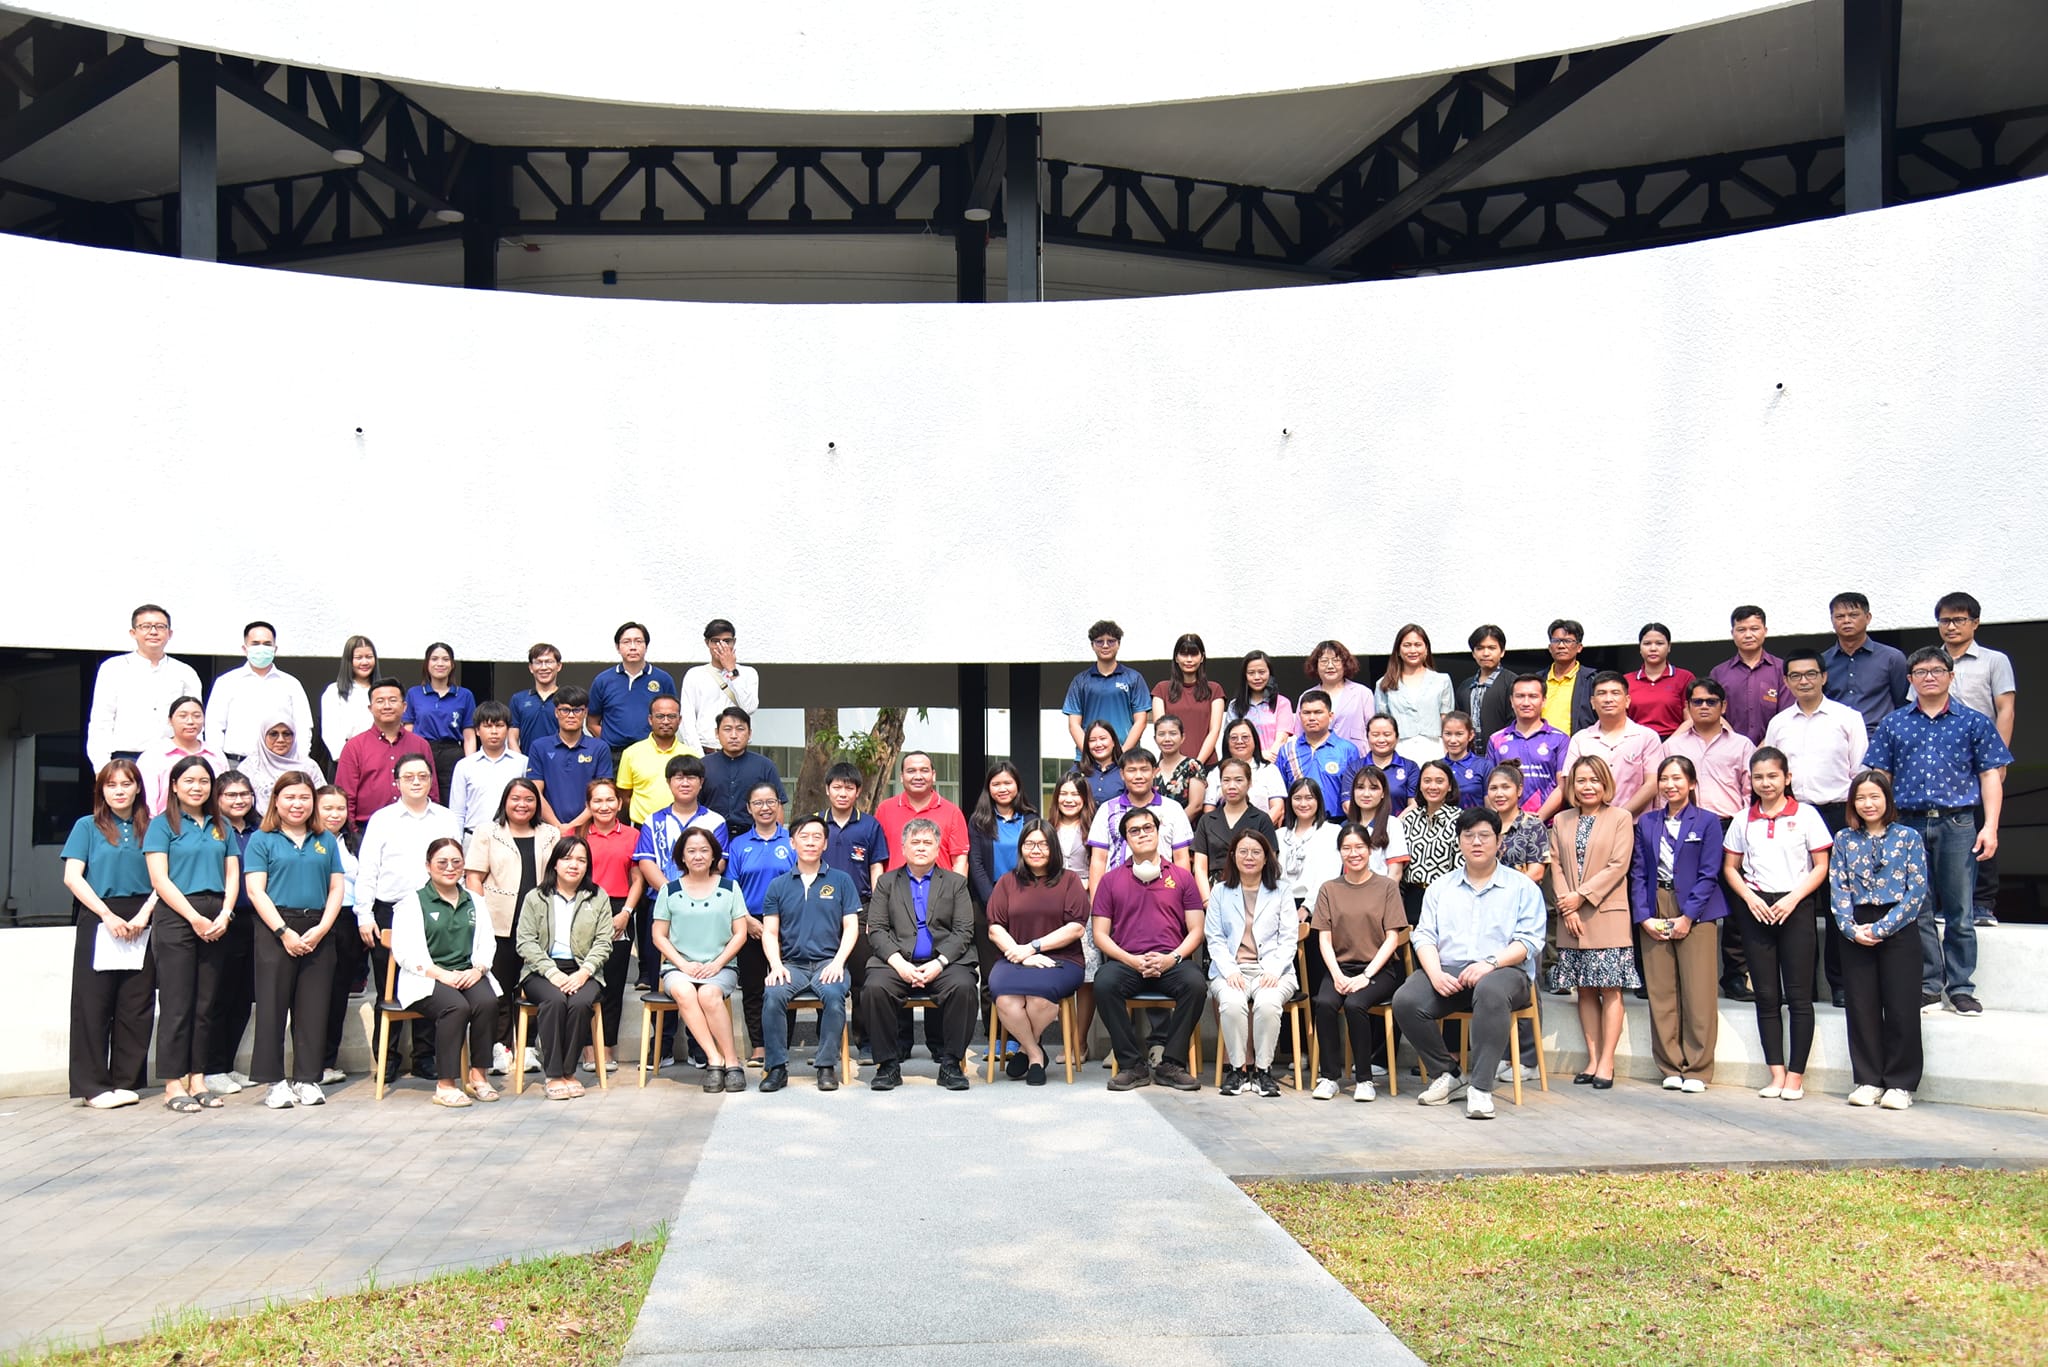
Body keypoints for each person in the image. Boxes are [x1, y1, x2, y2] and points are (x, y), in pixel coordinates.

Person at [1862, 646, 2010, 1017]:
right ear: (1910, 680)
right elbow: (1881, 777)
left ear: (1951, 676)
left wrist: (1990, 826)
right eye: (1921, 672)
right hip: (1907, 824)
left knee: (1960, 909)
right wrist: (1881, 827)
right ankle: (1928, 985)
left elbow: (1990, 775)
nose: (1929, 677)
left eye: (1937, 670)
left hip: (1957, 823)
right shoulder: (1894, 723)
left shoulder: (1974, 721)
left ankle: (1960, 988)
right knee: (1917, 907)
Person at [1394, 808, 1546, 1119]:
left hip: (1505, 972)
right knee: (1407, 999)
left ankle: (1480, 1087)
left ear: (1499, 842)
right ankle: (1448, 1074)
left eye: (1484, 836)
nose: (1476, 842)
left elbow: (1529, 942)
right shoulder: (1441, 887)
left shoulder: (1522, 887)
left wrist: (1490, 963)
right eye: (1469, 836)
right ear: (1459, 842)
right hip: (1451, 971)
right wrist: (1435, 973)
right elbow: (1424, 936)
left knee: (1490, 991)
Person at [1722, 747, 1832, 1100]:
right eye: (1758, 777)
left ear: (1787, 778)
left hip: (1795, 905)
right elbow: (1730, 867)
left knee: (1799, 996)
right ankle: (1776, 1073)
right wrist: (1750, 898)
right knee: (1766, 996)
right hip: (1757, 908)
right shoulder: (1743, 819)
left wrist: (1792, 899)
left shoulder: (1807, 815)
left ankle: (1796, 1076)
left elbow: (1821, 866)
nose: (1765, 783)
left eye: (1772, 776)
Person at [1766, 647, 1869, 1006]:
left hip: (1839, 814)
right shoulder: (1779, 723)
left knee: (1840, 899)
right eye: (1795, 675)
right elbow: (1771, 771)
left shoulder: (1847, 718)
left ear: (1824, 677)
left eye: (1811, 674)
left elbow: (1860, 772)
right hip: (1794, 815)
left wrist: (1855, 816)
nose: (1804, 681)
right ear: (1786, 681)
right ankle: (1801, 986)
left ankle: (1840, 984)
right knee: (1798, 900)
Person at [356, 754, 463, 1082]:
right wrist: (364, 914)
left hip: (435, 909)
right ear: (397, 782)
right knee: (387, 988)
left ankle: (424, 1057)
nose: (416, 782)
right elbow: (368, 868)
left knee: (431, 986)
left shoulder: (446, 818)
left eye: (422, 776)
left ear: (431, 780)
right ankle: (387, 1059)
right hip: (389, 910)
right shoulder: (383, 819)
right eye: (408, 776)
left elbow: (456, 863)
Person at [242, 770, 345, 1109]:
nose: (297, 804)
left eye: (304, 797)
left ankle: (307, 1078)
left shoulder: (325, 839)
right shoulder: (262, 839)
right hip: (276, 928)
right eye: (290, 797)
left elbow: (336, 887)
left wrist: (323, 927)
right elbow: (256, 891)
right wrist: (283, 932)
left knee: (314, 1008)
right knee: (272, 1008)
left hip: (318, 928)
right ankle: (274, 1081)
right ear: (276, 801)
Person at [143, 756, 240, 1113]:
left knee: (206, 1003)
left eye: (203, 781)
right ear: (174, 785)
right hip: (177, 916)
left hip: (216, 915)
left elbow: (232, 873)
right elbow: (160, 879)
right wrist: (193, 917)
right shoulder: (162, 825)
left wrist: (225, 913)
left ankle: (198, 1078)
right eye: (189, 781)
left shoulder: (221, 825)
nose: (196, 787)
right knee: (177, 1003)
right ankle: (173, 1084)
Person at [1832, 770, 1930, 1110]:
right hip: (1857, 926)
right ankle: (1868, 1079)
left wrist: (1882, 928)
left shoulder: (1908, 837)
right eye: (1860, 798)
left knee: (1902, 1007)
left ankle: (1901, 1084)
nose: (1868, 804)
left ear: (1887, 799)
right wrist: (1850, 927)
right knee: (1862, 1006)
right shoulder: (1844, 839)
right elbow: (1839, 887)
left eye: (1874, 796)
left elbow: (1916, 892)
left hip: (1898, 926)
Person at [1630, 756, 1729, 1093]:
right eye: (1664, 779)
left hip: (1696, 910)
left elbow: (1709, 873)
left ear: (1691, 783)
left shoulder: (1708, 822)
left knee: (1699, 992)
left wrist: (1688, 917)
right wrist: (1644, 916)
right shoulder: (1647, 822)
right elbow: (1638, 872)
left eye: (1677, 778)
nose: (1670, 785)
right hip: (1656, 904)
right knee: (1661, 991)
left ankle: (1698, 1068)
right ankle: (1670, 1065)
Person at [62, 759, 156, 1109]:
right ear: (101, 790)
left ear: (138, 788)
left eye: (126, 784)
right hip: (100, 914)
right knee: (93, 1002)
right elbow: (73, 877)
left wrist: (144, 914)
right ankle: (92, 1086)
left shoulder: (153, 827)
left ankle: (126, 1080)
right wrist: (106, 915)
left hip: (144, 915)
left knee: (136, 1002)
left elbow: (165, 876)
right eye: (111, 785)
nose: (119, 791)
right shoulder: (86, 826)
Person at [1091, 807, 1206, 1092]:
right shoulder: (1110, 880)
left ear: (1157, 832)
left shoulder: (1182, 877)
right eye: (1134, 831)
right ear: (1125, 839)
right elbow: (1100, 935)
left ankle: (1171, 1064)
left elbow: (1196, 930)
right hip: (1128, 962)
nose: (1142, 834)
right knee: (1104, 982)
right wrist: (1131, 960)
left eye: (1147, 828)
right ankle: (1132, 1065)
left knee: (1195, 984)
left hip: (1171, 962)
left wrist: (1172, 958)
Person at [861, 818, 979, 1092]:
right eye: (915, 842)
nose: (921, 847)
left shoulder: (955, 883)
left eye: (928, 842)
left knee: (963, 987)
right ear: (903, 848)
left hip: (944, 961)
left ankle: (951, 1064)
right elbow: (876, 929)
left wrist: (939, 962)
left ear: (938, 849)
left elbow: (964, 930)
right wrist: (899, 963)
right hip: (896, 961)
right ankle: (888, 1065)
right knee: (875, 988)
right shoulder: (887, 882)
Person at [389, 838, 503, 1107]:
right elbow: (404, 952)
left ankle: (478, 1076)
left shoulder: (474, 901)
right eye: (442, 862)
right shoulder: (413, 903)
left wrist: (479, 969)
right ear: (428, 866)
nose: (450, 868)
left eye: (456, 862)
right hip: (427, 977)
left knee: (487, 1002)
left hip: (467, 972)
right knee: (455, 1008)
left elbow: (488, 942)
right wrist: (440, 974)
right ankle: (446, 1085)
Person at [1547, 755, 1637, 1089]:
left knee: (1610, 989)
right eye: (1581, 780)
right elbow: (1555, 865)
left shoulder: (1620, 818)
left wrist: (1581, 896)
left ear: (1605, 783)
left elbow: (1618, 866)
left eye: (1594, 780)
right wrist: (1568, 907)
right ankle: (1592, 1058)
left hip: (1606, 914)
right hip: (1571, 919)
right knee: (1584, 990)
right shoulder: (1562, 820)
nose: (1588, 786)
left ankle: (1607, 1062)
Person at [759, 815, 863, 1092]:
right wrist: (776, 965)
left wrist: (839, 962)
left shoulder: (841, 880)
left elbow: (851, 927)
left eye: (817, 837)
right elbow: (769, 932)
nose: (810, 842)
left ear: (825, 844)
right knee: (773, 995)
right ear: (792, 843)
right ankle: (777, 1068)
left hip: (829, 962)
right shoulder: (778, 885)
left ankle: (826, 1066)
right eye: (804, 836)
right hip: (792, 964)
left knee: (833, 995)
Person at [464, 776, 559, 1073]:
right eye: (515, 798)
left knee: (534, 986)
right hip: (499, 923)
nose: (522, 804)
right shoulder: (488, 832)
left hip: (539, 926)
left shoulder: (550, 834)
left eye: (529, 799)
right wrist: (481, 915)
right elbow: (474, 877)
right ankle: (501, 1048)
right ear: (505, 801)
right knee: (501, 988)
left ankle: (529, 1048)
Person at [1310, 821, 1409, 1102]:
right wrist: (1337, 975)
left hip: (1379, 969)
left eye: (1359, 847)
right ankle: (1329, 1077)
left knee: (1355, 1004)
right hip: (1340, 967)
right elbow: (1324, 939)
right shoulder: (1329, 888)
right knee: (1325, 1003)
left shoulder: (1386, 887)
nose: (1353, 853)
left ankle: (1364, 1079)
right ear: (1339, 851)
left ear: (1370, 849)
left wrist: (1366, 976)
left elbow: (1392, 938)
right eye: (1347, 848)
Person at [986, 818, 1088, 1087]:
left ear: (1053, 848)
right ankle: (1034, 1054)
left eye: (1043, 844)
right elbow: (995, 929)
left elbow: (1076, 928)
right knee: (1005, 998)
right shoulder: (1007, 882)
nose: (1036, 850)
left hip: (1061, 960)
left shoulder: (1070, 881)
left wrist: (1033, 947)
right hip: (1014, 956)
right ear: (1021, 848)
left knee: (1039, 999)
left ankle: (1023, 1048)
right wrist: (1023, 954)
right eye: (1029, 844)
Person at [1934, 592, 2016, 928]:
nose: (1951, 627)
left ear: (1975, 623)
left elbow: (2006, 709)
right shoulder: (1929, 661)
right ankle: (1944, 904)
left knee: (1984, 826)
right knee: (1941, 832)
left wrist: (1999, 759)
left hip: (1981, 757)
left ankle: (1982, 903)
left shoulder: (1994, 660)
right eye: (1945, 620)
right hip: (1939, 761)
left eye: (1959, 620)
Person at [649, 826, 749, 1092]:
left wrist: (717, 963)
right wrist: (683, 964)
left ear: (714, 854)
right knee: (684, 991)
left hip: (721, 965)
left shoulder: (730, 888)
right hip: (679, 967)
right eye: (691, 851)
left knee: (708, 994)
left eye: (704, 850)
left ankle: (732, 1062)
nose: (698, 856)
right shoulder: (669, 890)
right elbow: (658, 935)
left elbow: (740, 933)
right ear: (681, 856)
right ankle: (714, 1059)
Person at [513, 837, 613, 1101]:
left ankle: (569, 1072)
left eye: (581, 860)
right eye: (567, 858)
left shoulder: (598, 897)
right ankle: (554, 1075)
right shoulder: (536, 897)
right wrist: (552, 972)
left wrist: (584, 972)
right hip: (541, 971)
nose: (574, 865)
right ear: (555, 863)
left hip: (583, 969)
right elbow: (525, 942)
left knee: (580, 1003)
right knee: (555, 1000)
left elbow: (604, 942)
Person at [1205, 828, 1298, 1098]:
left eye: (1256, 852)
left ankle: (1263, 1071)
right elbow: (1214, 938)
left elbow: (1289, 938)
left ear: (1266, 857)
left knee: (1268, 1004)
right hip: (1231, 970)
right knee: (1232, 1004)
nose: (1249, 857)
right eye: (1243, 851)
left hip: (1273, 971)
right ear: (1233, 856)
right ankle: (1238, 1070)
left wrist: (1274, 970)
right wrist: (1230, 970)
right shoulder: (1220, 891)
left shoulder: (1282, 891)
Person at [726, 781, 796, 1067]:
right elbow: (732, 888)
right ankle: (758, 1046)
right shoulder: (738, 844)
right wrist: (748, 921)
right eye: (758, 803)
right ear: (748, 808)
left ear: (779, 805)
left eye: (771, 802)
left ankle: (782, 1045)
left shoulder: (792, 840)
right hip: (750, 923)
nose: (765, 808)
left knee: (785, 985)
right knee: (754, 989)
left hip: (788, 924)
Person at [86, 604, 204, 770]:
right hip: (127, 758)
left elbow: (196, 720)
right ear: (133, 632)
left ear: (170, 633)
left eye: (160, 627)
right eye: (145, 626)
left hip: (173, 758)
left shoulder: (185, 672)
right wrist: (101, 766)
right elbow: (101, 721)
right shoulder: (113, 668)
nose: (153, 632)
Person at [203, 771, 261, 1097]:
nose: (239, 800)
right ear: (218, 798)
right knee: (219, 997)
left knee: (242, 998)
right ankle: (211, 1068)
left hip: (255, 921)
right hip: (223, 919)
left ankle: (226, 1064)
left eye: (244, 794)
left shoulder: (260, 830)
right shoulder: (213, 830)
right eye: (231, 795)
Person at [580, 778, 643, 1073]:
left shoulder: (632, 835)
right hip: (582, 909)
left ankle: (607, 1047)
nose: (604, 806)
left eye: (609, 800)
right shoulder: (578, 835)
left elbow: (638, 879)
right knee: (584, 980)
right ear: (589, 805)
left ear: (619, 804)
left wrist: (626, 912)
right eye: (597, 800)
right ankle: (587, 1048)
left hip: (619, 910)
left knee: (614, 983)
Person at [1544, 671, 1662, 819]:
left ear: (1627, 700)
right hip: (1590, 821)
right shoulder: (1580, 739)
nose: (1608, 699)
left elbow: (1652, 784)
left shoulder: (1647, 737)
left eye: (1615, 693)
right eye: (1601, 693)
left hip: (1635, 824)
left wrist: (1618, 817)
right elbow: (1570, 784)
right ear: (1593, 702)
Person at [334, 678, 440, 829]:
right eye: (380, 701)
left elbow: (432, 792)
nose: (387, 706)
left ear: (404, 706)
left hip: (416, 826)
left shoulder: (420, 745)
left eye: (393, 700)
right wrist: (353, 834)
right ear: (370, 708)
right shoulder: (354, 747)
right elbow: (345, 797)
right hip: (366, 829)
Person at [206, 621, 315, 763]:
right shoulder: (226, 682)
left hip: (280, 763)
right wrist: (218, 762)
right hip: (236, 763)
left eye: (267, 644)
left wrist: (300, 760)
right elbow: (214, 726)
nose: (261, 648)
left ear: (275, 649)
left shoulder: (291, 684)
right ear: (245, 649)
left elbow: (303, 726)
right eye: (255, 643)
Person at [1048, 771, 1100, 1061]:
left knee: (1087, 976)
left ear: (1084, 798)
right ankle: (1066, 1041)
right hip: (1052, 906)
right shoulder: (1048, 828)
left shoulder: (1094, 827)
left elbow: (1100, 865)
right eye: (1064, 794)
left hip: (1085, 905)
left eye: (1075, 794)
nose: (1069, 799)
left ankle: (1080, 1042)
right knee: (1058, 971)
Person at [1087, 748, 1195, 885]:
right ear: (1122, 774)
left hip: (1163, 889)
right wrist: (1097, 898)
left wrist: (1182, 893)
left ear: (1155, 772)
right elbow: (1098, 860)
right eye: (1131, 770)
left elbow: (1181, 858)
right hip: (1118, 889)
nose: (1138, 776)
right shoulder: (1107, 809)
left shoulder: (1173, 809)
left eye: (1144, 769)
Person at [314, 784, 361, 1086]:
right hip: (318, 919)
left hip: (349, 920)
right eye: (328, 808)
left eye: (340, 808)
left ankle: (327, 1061)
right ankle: (312, 1062)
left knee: (338, 993)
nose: (335, 814)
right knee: (315, 994)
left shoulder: (353, 842)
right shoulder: (310, 841)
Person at [526, 686, 616, 834]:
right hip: (548, 829)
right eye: (565, 710)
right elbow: (535, 792)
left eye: (577, 710)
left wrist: (571, 827)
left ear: (585, 713)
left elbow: (602, 795)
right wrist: (558, 827)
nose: (571, 715)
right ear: (556, 712)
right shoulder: (539, 747)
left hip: (589, 829)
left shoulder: (599, 747)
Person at [633, 754, 728, 892]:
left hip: (704, 896)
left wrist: (692, 892)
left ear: (701, 782)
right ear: (668, 782)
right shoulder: (652, 821)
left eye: (691, 778)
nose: (685, 783)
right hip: (661, 897)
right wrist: (673, 893)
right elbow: (646, 862)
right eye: (679, 778)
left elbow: (720, 862)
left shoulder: (716, 821)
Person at [1823, 593, 1910, 734]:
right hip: (1836, 736)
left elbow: (1903, 704)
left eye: (1853, 615)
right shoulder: (1823, 661)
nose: (1846, 621)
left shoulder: (1892, 658)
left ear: (1868, 617)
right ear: (1832, 620)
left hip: (1880, 736)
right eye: (1840, 616)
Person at [1063, 620, 1151, 759]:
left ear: (1119, 644)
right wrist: (1090, 755)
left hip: (1126, 758)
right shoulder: (1080, 681)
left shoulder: (1134, 678)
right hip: (1087, 760)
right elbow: (1074, 724)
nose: (1105, 645)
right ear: (1092, 645)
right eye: (1099, 641)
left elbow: (1141, 721)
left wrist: (1122, 754)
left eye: (1111, 641)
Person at [588, 621, 676, 758]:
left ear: (646, 646)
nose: (633, 647)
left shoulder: (663, 679)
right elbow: (592, 722)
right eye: (626, 642)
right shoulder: (603, 680)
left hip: (652, 753)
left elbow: (672, 717)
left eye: (638, 641)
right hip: (613, 755)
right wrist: (608, 741)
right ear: (618, 647)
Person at [401, 643, 476, 798]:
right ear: (427, 663)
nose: (440, 663)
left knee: (453, 797)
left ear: (452, 664)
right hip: (421, 752)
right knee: (421, 794)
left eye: (445, 659)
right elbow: (408, 730)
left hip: (452, 755)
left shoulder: (464, 695)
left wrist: (470, 765)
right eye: (434, 659)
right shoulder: (414, 693)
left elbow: (469, 735)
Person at [1275, 689, 1365, 818]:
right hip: (1298, 822)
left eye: (1318, 712)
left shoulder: (1348, 750)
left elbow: (1355, 791)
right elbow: (1279, 792)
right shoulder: (1287, 750)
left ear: (1330, 716)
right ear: (1299, 716)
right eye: (1306, 713)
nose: (1312, 718)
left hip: (1337, 821)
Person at [874, 750, 968, 873]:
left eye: (924, 770)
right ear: (901, 777)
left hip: (940, 885)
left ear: (933, 775)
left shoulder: (952, 812)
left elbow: (960, 861)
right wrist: (880, 886)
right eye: (911, 771)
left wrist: (956, 886)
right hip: (894, 885)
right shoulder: (885, 810)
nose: (918, 777)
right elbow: (876, 860)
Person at [615, 695, 702, 826]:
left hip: (683, 827)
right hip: (643, 827)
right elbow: (624, 795)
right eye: (660, 716)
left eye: (671, 716)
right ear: (650, 719)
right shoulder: (631, 753)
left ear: (680, 720)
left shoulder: (692, 755)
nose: (666, 721)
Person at [1711, 606, 1793, 744]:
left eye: (1754, 629)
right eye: (1741, 630)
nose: (1748, 635)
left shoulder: (1782, 669)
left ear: (1765, 631)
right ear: (1732, 633)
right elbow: (1713, 714)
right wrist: (1737, 745)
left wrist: (1764, 747)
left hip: (1774, 747)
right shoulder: (1719, 673)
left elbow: (1787, 715)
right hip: (1729, 748)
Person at [701, 707, 786, 838]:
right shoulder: (703, 766)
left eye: (740, 729)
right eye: (727, 729)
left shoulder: (765, 766)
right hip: (711, 837)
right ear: (717, 733)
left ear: (749, 733)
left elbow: (777, 806)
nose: (734, 735)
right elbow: (694, 805)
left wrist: (775, 840)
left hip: (753, 838)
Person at [1192, 758, 1278, 888]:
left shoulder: (1262, 819)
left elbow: (1270, 862)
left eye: (1238, 780)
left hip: (1252, 888)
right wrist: (1208, 899)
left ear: (1249, 783)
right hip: (1214, 889)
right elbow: (1200, 867)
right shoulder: (1207, 820)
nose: (1232, 786)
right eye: (1226, 780)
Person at [680, 618, 761, 755]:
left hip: (739, 751)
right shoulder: (694, 675)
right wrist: (698, 755)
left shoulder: (748, 673)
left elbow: (749, 708)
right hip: (705, 749)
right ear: (707, 643)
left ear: (734, 642)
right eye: (716, 641)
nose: (721, 646)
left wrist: (732, 670)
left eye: (727, 641)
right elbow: (687, 720)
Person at [1488, 677, 1569, 812]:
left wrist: (1538, 818)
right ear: (1511, 701)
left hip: (1548, 821)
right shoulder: (1496, 739)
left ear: (1544, 701)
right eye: (1520, 696)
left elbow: (1563, 786)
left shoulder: (1560, 739)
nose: (1526, 702)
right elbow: (1490, 785)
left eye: (1533, 696)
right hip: (1507, 821)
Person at [1374, 624, 1455, 761]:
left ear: (1426, 649)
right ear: (1398, 650)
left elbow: (1446, 719)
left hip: (1434, 747)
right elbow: (1382, 722)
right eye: (1407, 645)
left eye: (1418, 645)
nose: (1413, 650)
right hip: (1399, 748)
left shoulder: (1442, 680)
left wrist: (1448, 751)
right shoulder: (1384, 683)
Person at [136, 695, 227, 815]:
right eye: (183, 716)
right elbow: (148, 802)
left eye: (197, 716)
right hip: (167, 823)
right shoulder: (153, 756)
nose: (190, 721)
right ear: (170, 720)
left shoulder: (216, 755)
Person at [446, 701, 527, 835]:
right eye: (488, 726)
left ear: (508, 729)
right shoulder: (464, 766)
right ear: (477, 730)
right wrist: (457, 841)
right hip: (473, 837)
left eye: (499, 725)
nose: (494, 732)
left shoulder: (522, 763)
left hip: (513, 836)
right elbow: (457, 812)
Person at [1400, 760, 1463, 924]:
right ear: (1420, 785)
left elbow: (1462, 868)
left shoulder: (1460, 819)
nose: (1433, 786)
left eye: (1439, 781)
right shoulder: (1409, 819)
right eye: (1427, 781)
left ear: (1450, 786)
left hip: (1445, 898)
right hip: (1411, 898)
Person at [1152, 632, 1226, 765]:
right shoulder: (1161, 689)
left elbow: (1214, 731)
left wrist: (1197, 763)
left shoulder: (1215, 690)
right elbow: (1161, 731)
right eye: (1184, 654)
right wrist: (1179, 766)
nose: (1189, 660)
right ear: (1176, 657)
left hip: (1206, 764)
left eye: (1194, 654)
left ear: (1202, 657)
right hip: (1170, 765)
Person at [1277, 776, 1342, 914]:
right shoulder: (1280, 835)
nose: (1303, 804)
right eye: (1297, 798)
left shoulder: (1332, 832)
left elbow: (1329, 874)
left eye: (1309, 798)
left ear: (1318, 801)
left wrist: (1307, 907)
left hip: (1317, 905)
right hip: (1281, 905)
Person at [240, 712, 325, 813]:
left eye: (286, 734)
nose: (280, 740)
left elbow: (322, 801)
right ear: (263, 736)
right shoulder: (250, 766)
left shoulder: (308, 766)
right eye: (273, 734)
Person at [1203, 718, 1287, 821]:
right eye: (1234, 738)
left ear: (1255, 740)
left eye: (1245, 737)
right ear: (1226, 742)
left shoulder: (1269, 770)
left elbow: (1278, 808)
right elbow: (1209, 809)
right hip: (1223, 829)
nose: (1239, 741)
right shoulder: (1216, 772)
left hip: (1261, 829)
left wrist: (1259, 828)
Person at [1626, 623, 1696, 739]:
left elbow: (1692, 718)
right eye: (1647, 643)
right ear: (1640, 648)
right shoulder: (1626, 681)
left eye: (1659, 643)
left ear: (1669, 647)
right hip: (1637, 741)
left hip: (1675, 740)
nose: (1653, 648)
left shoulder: (1684, 678)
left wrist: (1670, 743)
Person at [1344, 767, 1412, 882]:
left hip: (1381, 891)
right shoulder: (1345, 826)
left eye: (1373, 788)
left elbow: (1395, 873)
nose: (1366, 794)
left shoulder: (1392, 824)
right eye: (1360, 787)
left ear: (1383, 793)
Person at [318, 635, 379, 763]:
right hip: (345, 761)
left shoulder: (382, 690)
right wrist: (348, 760)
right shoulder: (334, 691)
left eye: (369, 657)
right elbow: (330, 732)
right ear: (349, 660)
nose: (365, 662)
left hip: (377, 760)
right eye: (359, 658)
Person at [1302, 640, 1375, 746]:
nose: (1330, 666)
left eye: (1336, 660)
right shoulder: (1307, 696)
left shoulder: (1363, 693)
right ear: (1315, 665)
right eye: (1324, 661)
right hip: (1318, 753)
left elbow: (1373, 729)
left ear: (1345, 664)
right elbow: (1300, 733)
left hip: (1356, 753)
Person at [1224, 649, 1295, 758]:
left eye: (1262, 672)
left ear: (1270, 673)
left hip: (1274, 761)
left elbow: (1281, 739)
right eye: (1251, 673)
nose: (1257, 677)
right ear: (1245, 676)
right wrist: (1257, 757)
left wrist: (1266, 758)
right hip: (1243, 763)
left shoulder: (1282, 703)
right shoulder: (1235, 705)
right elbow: (1231, 740)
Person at [1485, 766, 1550, 882]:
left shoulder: (1533, 826)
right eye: (1493, 788)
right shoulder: (1484, 826)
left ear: (1519, 790)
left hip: (1522, 891)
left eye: (1505, 787)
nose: (1499, 794)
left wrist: (1507, 890)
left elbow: (1536, 873)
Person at [1456, 625, 1519, 744]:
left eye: (1492, 648)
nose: (1486, 653)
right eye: (1480, 648)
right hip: (1470, 753)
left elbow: (1516, 722)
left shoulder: (1513, 683)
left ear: (1502, 652)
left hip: (1502, 750)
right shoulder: (1465, 687)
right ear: (1473, 653)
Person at [1539, 619, 1598, 736]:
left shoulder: (1592, 681)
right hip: (1540, 745)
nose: (1561, 646)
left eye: (1567, 641)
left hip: (1576, 745)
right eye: (1556, 641)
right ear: (1550, 648)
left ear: (1579, 647)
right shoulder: (1537, 680)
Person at [506, 643, 563, 753]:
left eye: (549, 662)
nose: (544, 667)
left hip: (560, 761)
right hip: (528, 760)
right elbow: (512, 738)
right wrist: (521, 761)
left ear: (559, 666)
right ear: (531, 667)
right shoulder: (518, 699)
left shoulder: (567, 698)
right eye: (538, 662)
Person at [1360, 716, 1420, 815]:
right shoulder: (1355, 767)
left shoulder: (1410, 767)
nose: (1381, 740)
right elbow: (1348, 803)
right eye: (1375, 735)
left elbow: (1413, 803)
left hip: (1400, 823)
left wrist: (1395, 823)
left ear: (1397, 737)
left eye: (1387, 734)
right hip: (1364, 824)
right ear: (1367, 737)